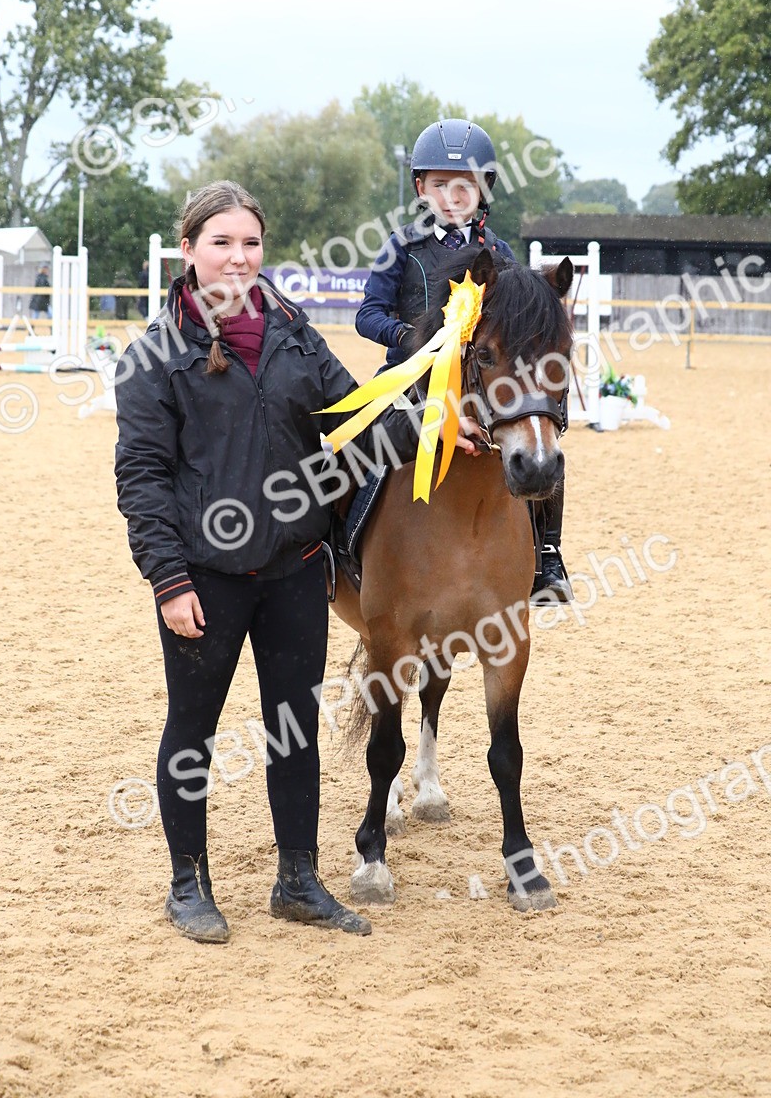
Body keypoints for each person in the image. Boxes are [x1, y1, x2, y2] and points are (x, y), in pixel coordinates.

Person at [114, 180, 481, 945]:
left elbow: (354, 419)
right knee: (193, 732)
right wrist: (169, 579)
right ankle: (189, 886)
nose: (239, 257)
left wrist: (437, 428)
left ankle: (297, 881)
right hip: (204, 578)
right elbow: (142, 478)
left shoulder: (292, 332)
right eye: (221, 243)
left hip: (294, 568)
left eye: (250, 242)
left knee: (293, 730)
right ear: (189, 251)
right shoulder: (152, 355)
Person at [355, 119, 573, 603]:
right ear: (420, 188)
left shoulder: (498, 253)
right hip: (408, 378)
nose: (452, 196)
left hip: (479, 381)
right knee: (358, 444)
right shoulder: (402, 249)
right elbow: (367, 316)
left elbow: (517, 327)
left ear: (483, 189)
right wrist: (414, 340)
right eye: (439, 185)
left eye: (464, 186)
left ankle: (548, 555)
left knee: (542, 441)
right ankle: (342, 547)